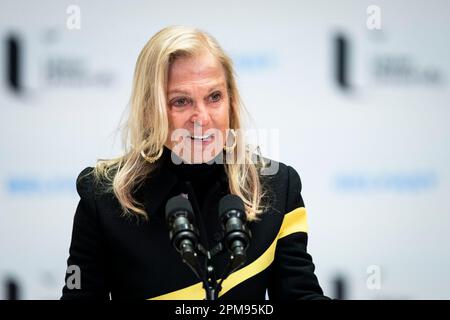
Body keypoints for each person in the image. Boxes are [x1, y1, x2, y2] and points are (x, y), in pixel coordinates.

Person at [61, 25, 328, 300]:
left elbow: (301, 294)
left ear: (231, 101)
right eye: (181, 101)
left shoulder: (277, 186)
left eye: (214, 97)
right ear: (149, 109)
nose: (201, 118)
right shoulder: (103, 197)